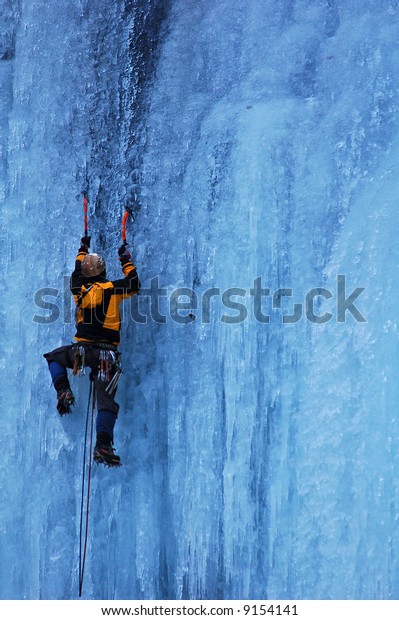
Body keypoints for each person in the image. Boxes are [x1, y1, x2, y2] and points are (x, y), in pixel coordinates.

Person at [43, 235, 140, 466]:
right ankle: (103, 445)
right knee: (105, 402)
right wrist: (125, 260)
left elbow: (76, 273)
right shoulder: (113, 289)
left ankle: (63, 390)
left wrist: (82, 249)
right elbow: (134, 284)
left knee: (54, 358)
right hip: (107, 356)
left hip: (82, 352)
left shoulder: (79, 289)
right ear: (104, 272)